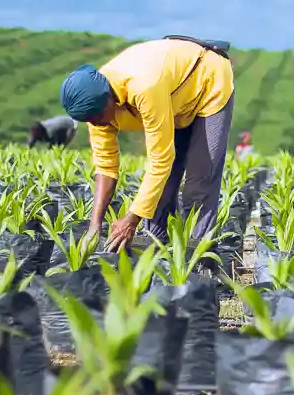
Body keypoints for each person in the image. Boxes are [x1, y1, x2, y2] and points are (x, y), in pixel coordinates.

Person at [58, 36, 234, 252]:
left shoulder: (144, 87)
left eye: (96, 116)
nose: (94, 123)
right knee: (162, 187)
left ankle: (199, 259)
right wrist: (94, 226)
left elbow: (161, 160)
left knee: (200, 181)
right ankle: (155, 250)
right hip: (173, 96)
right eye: (88, 120)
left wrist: (131, 221)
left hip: (207, 83)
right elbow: (105, 166)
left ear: (108, 98)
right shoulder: (93, 103)